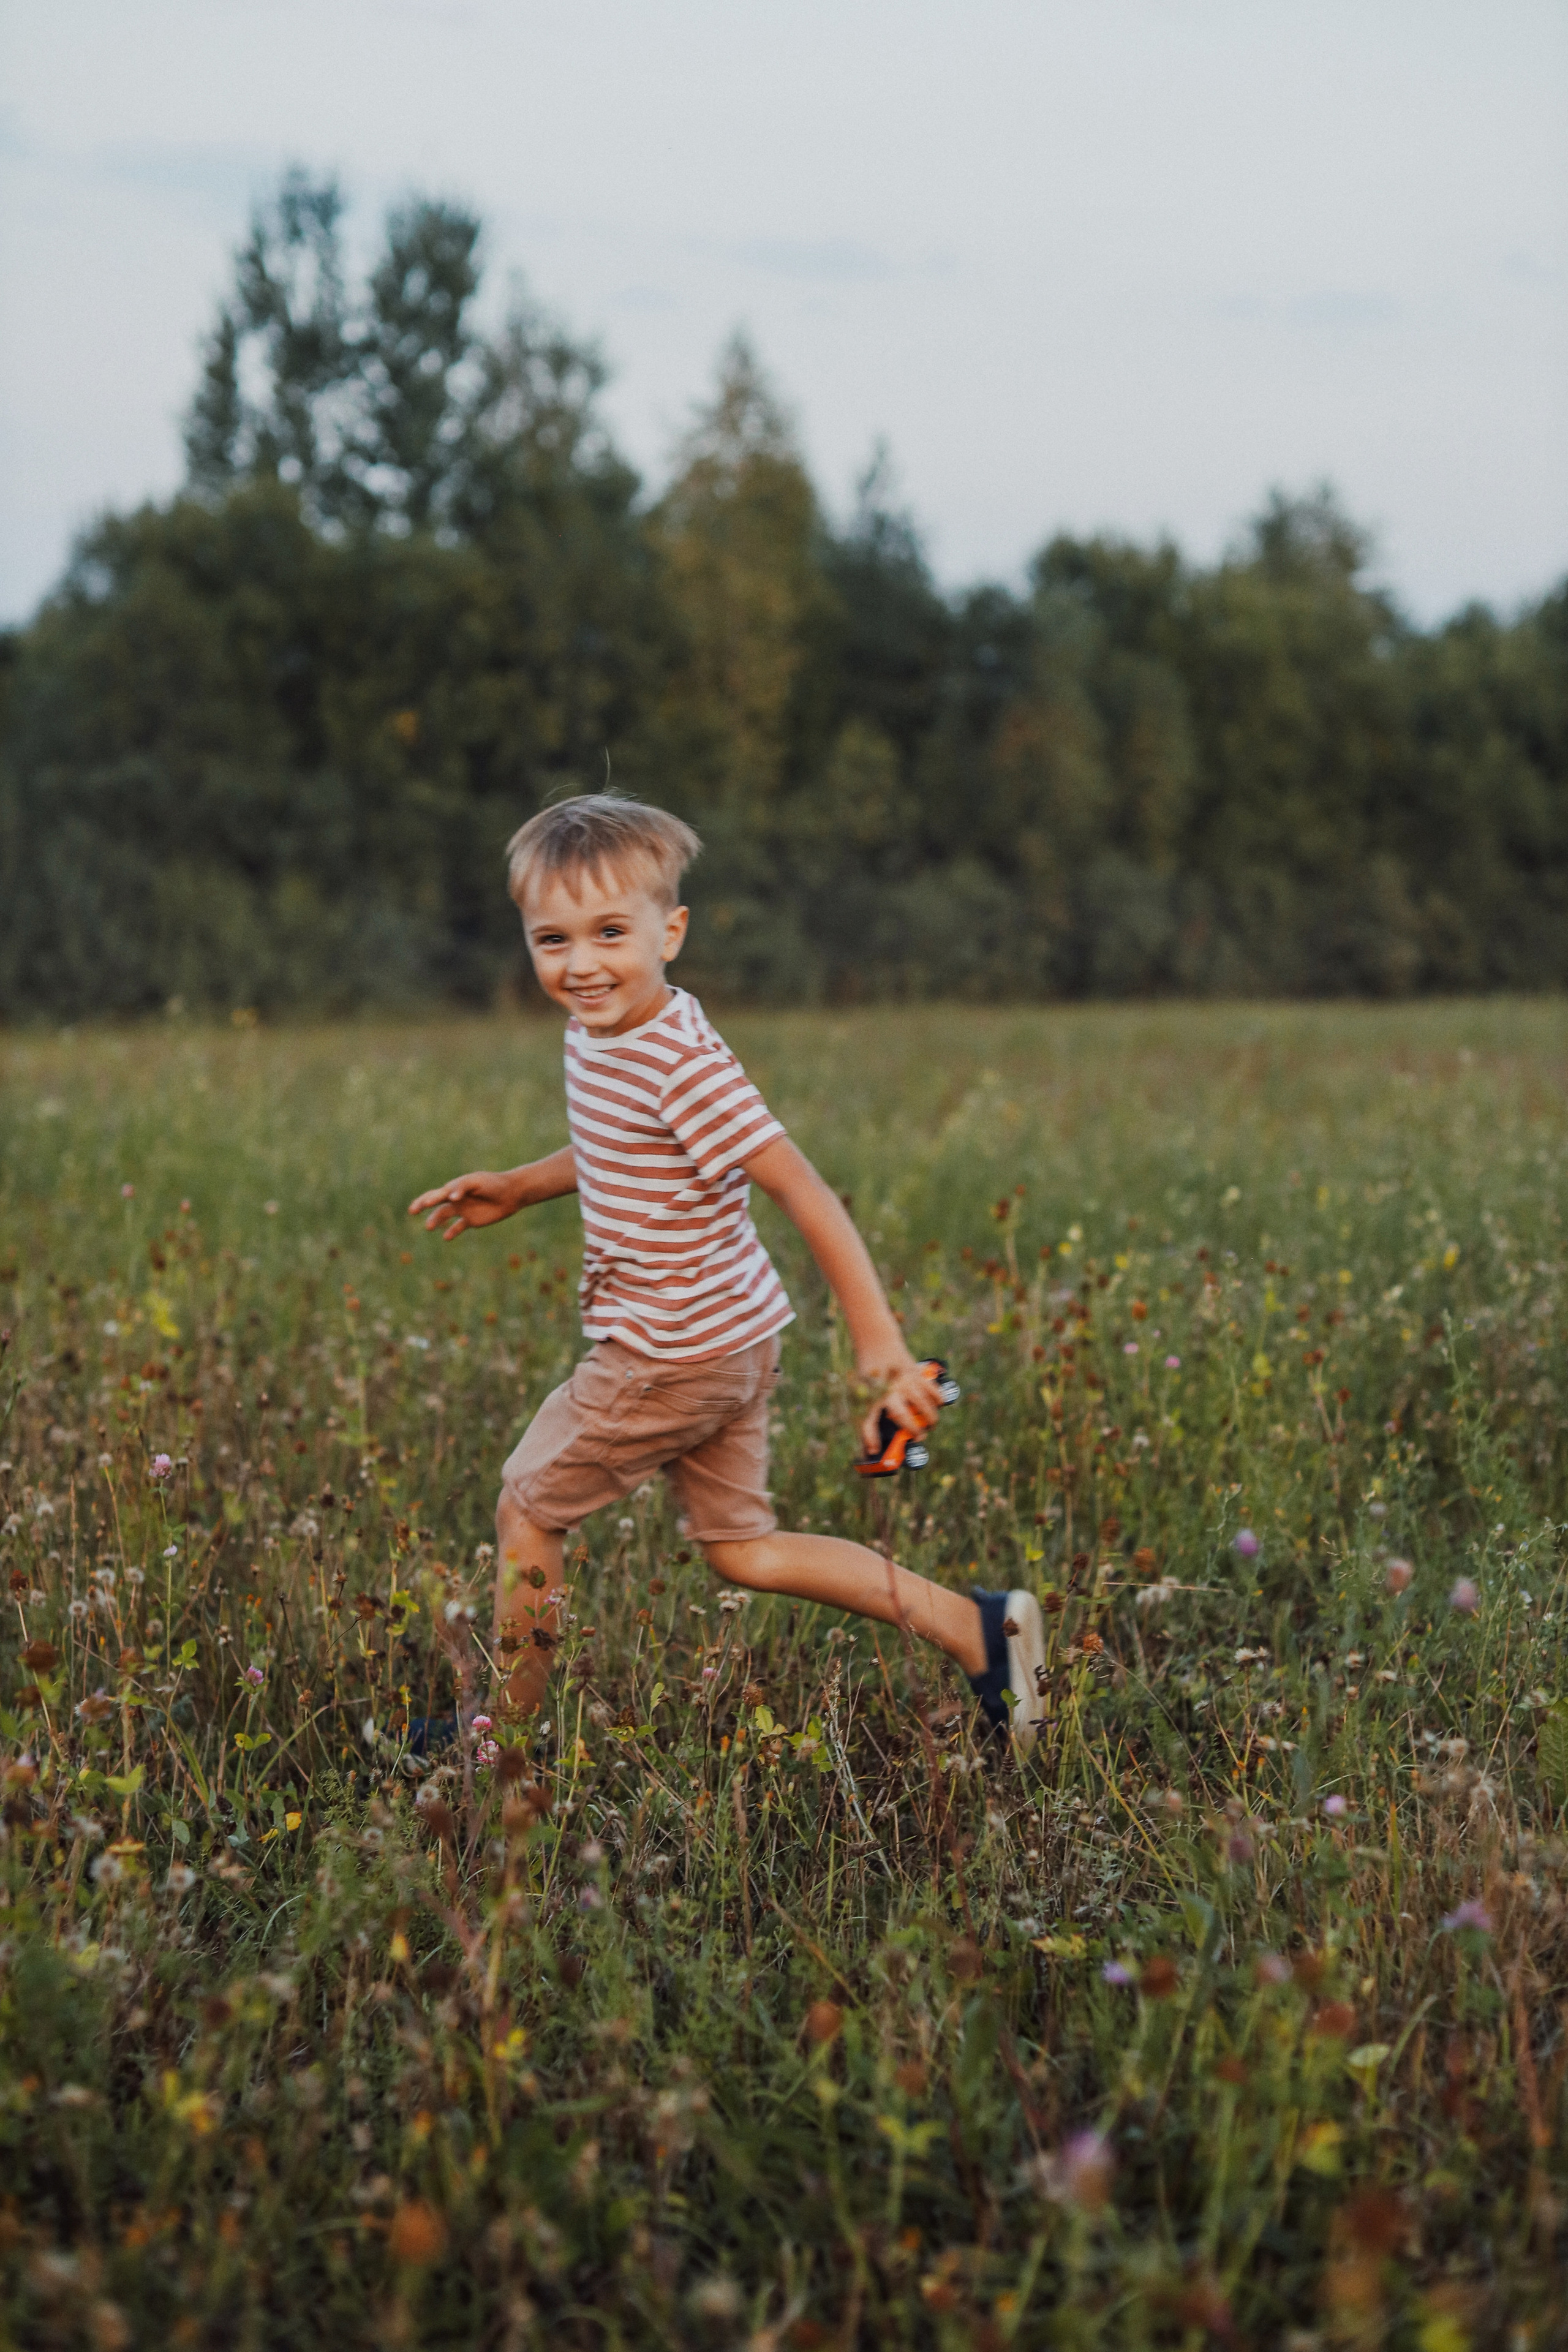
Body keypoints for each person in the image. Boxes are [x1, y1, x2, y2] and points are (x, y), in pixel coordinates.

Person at [408, 794, 1046, 1749]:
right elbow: (620, 1145)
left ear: (672, 931)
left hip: (672, 1350)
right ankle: (979, 1629)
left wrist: (879, 1342)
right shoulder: (607, 1030)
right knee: (743, 1551)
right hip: (731, 1335)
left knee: (528, 1507)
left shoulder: (679, 1059)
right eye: (553, 940)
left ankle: (502, 1730)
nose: (581, 964)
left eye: (610, 933)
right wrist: (523, 1185)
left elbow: (805, 1190)